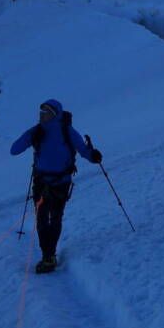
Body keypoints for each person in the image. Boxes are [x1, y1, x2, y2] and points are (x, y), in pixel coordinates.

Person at [10, 99, 101, 273]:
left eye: (46, 112)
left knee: (53, 218)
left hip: (56, 183)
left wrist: (92, 155)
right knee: (44, 219)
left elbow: (82, 149)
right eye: (41, 112)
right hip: (47, 182)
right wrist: (32, 135)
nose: (42, 115)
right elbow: (14, 149)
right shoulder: (39, 131)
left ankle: (49, 255)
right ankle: (48, 255)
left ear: (55, 114)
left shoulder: (66, 131)